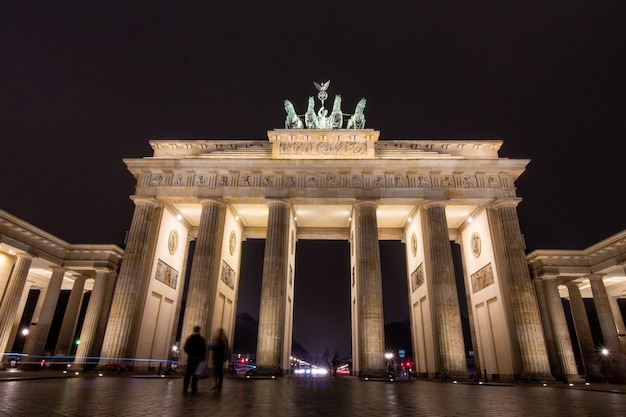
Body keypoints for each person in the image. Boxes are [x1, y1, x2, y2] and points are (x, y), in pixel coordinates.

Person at [183, 325, 207, 394]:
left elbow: (185, 347)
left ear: (194, 330)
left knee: (188, 374)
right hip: (198, 359)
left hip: (191, 358)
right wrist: (202, 358)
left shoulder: (190, 338)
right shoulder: (202, 339)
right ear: (199, 330)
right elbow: (204, 350)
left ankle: (185, 387)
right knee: (196, 374)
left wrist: (190, 354)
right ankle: (194, 387)